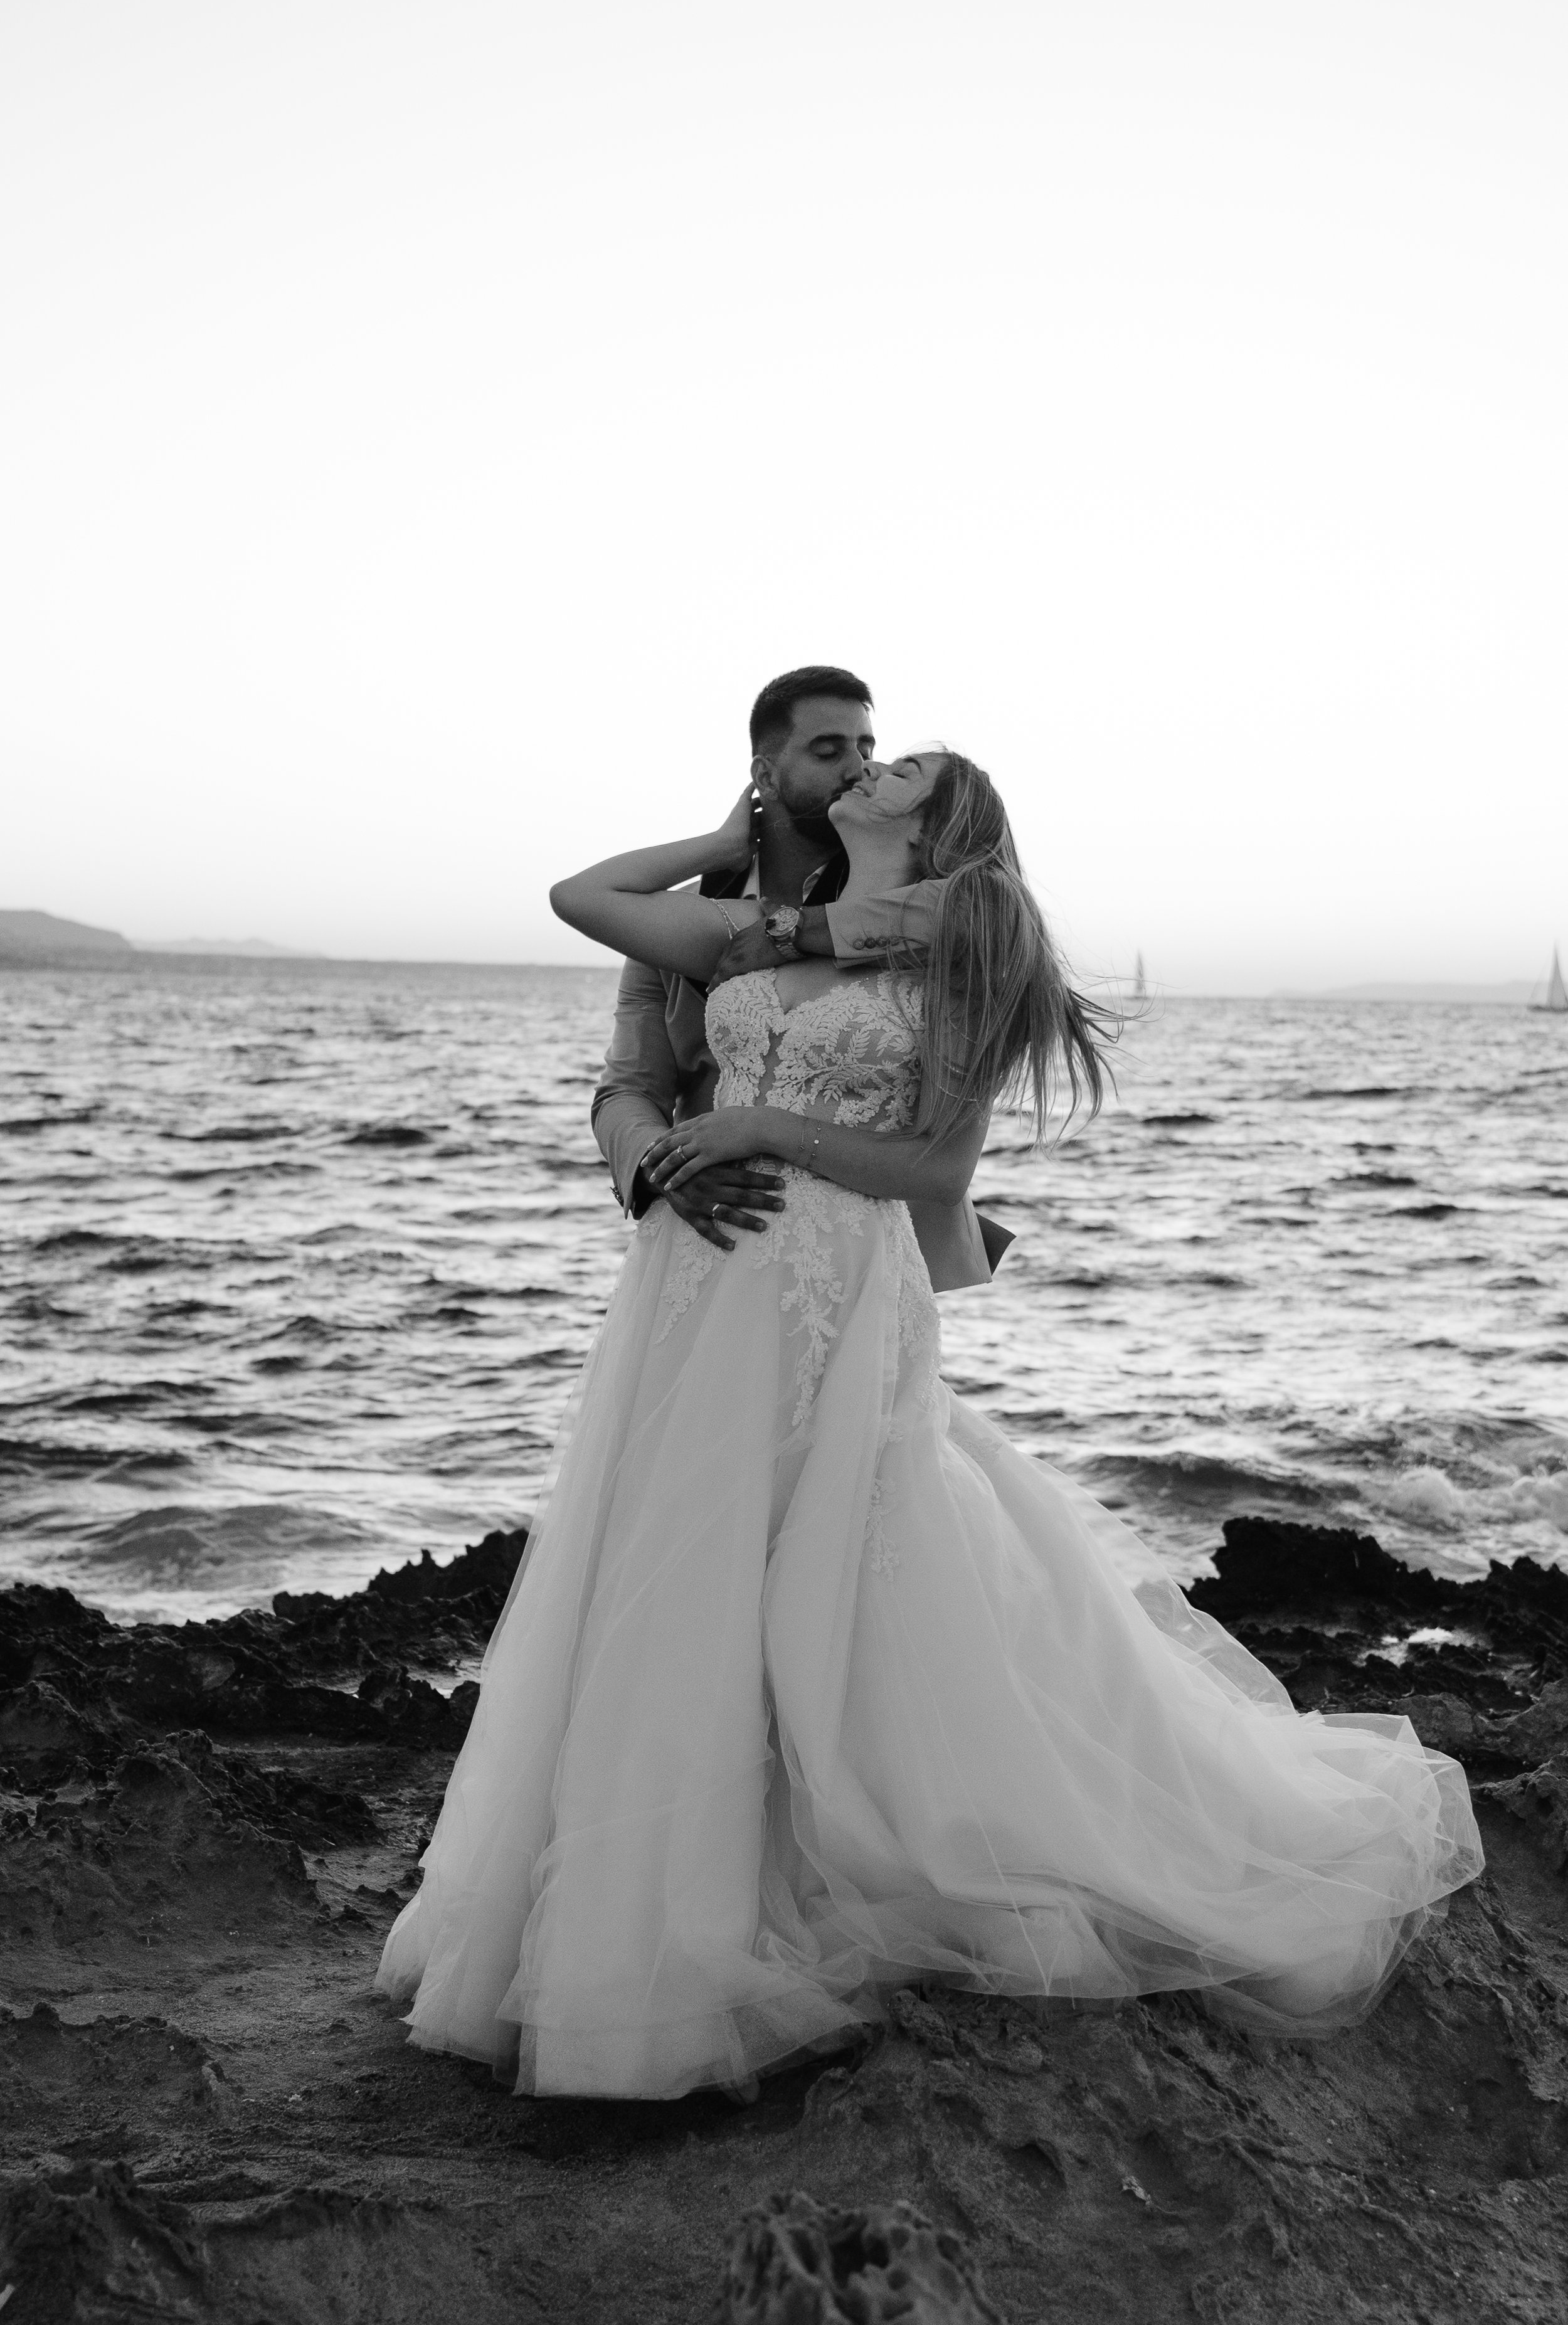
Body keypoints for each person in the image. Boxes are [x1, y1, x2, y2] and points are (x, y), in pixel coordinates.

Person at [377, 743, 1481, 2102]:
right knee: (677, 1558)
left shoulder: (969, 936)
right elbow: (586, 904)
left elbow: (936, 1166)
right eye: (844, 748)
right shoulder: (767, 928)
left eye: (894, 760)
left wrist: (756, 1129)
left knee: (850, 1543)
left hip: (837, 1279)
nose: (870, 761)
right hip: (696, 1284)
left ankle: (881, 1862)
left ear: (943, 814)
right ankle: (650, 1901)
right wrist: (722, 846)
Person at [589, 664, 1010, 1289]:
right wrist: (664, 1165)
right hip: (724, 1226)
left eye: (867, 747)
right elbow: (626, 1088)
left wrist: (799, 929)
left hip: (874, 1243)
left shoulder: (910, 888)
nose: (859, 767)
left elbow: (991, 909)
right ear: (765, 775)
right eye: (828, 751)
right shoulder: (677, 920)